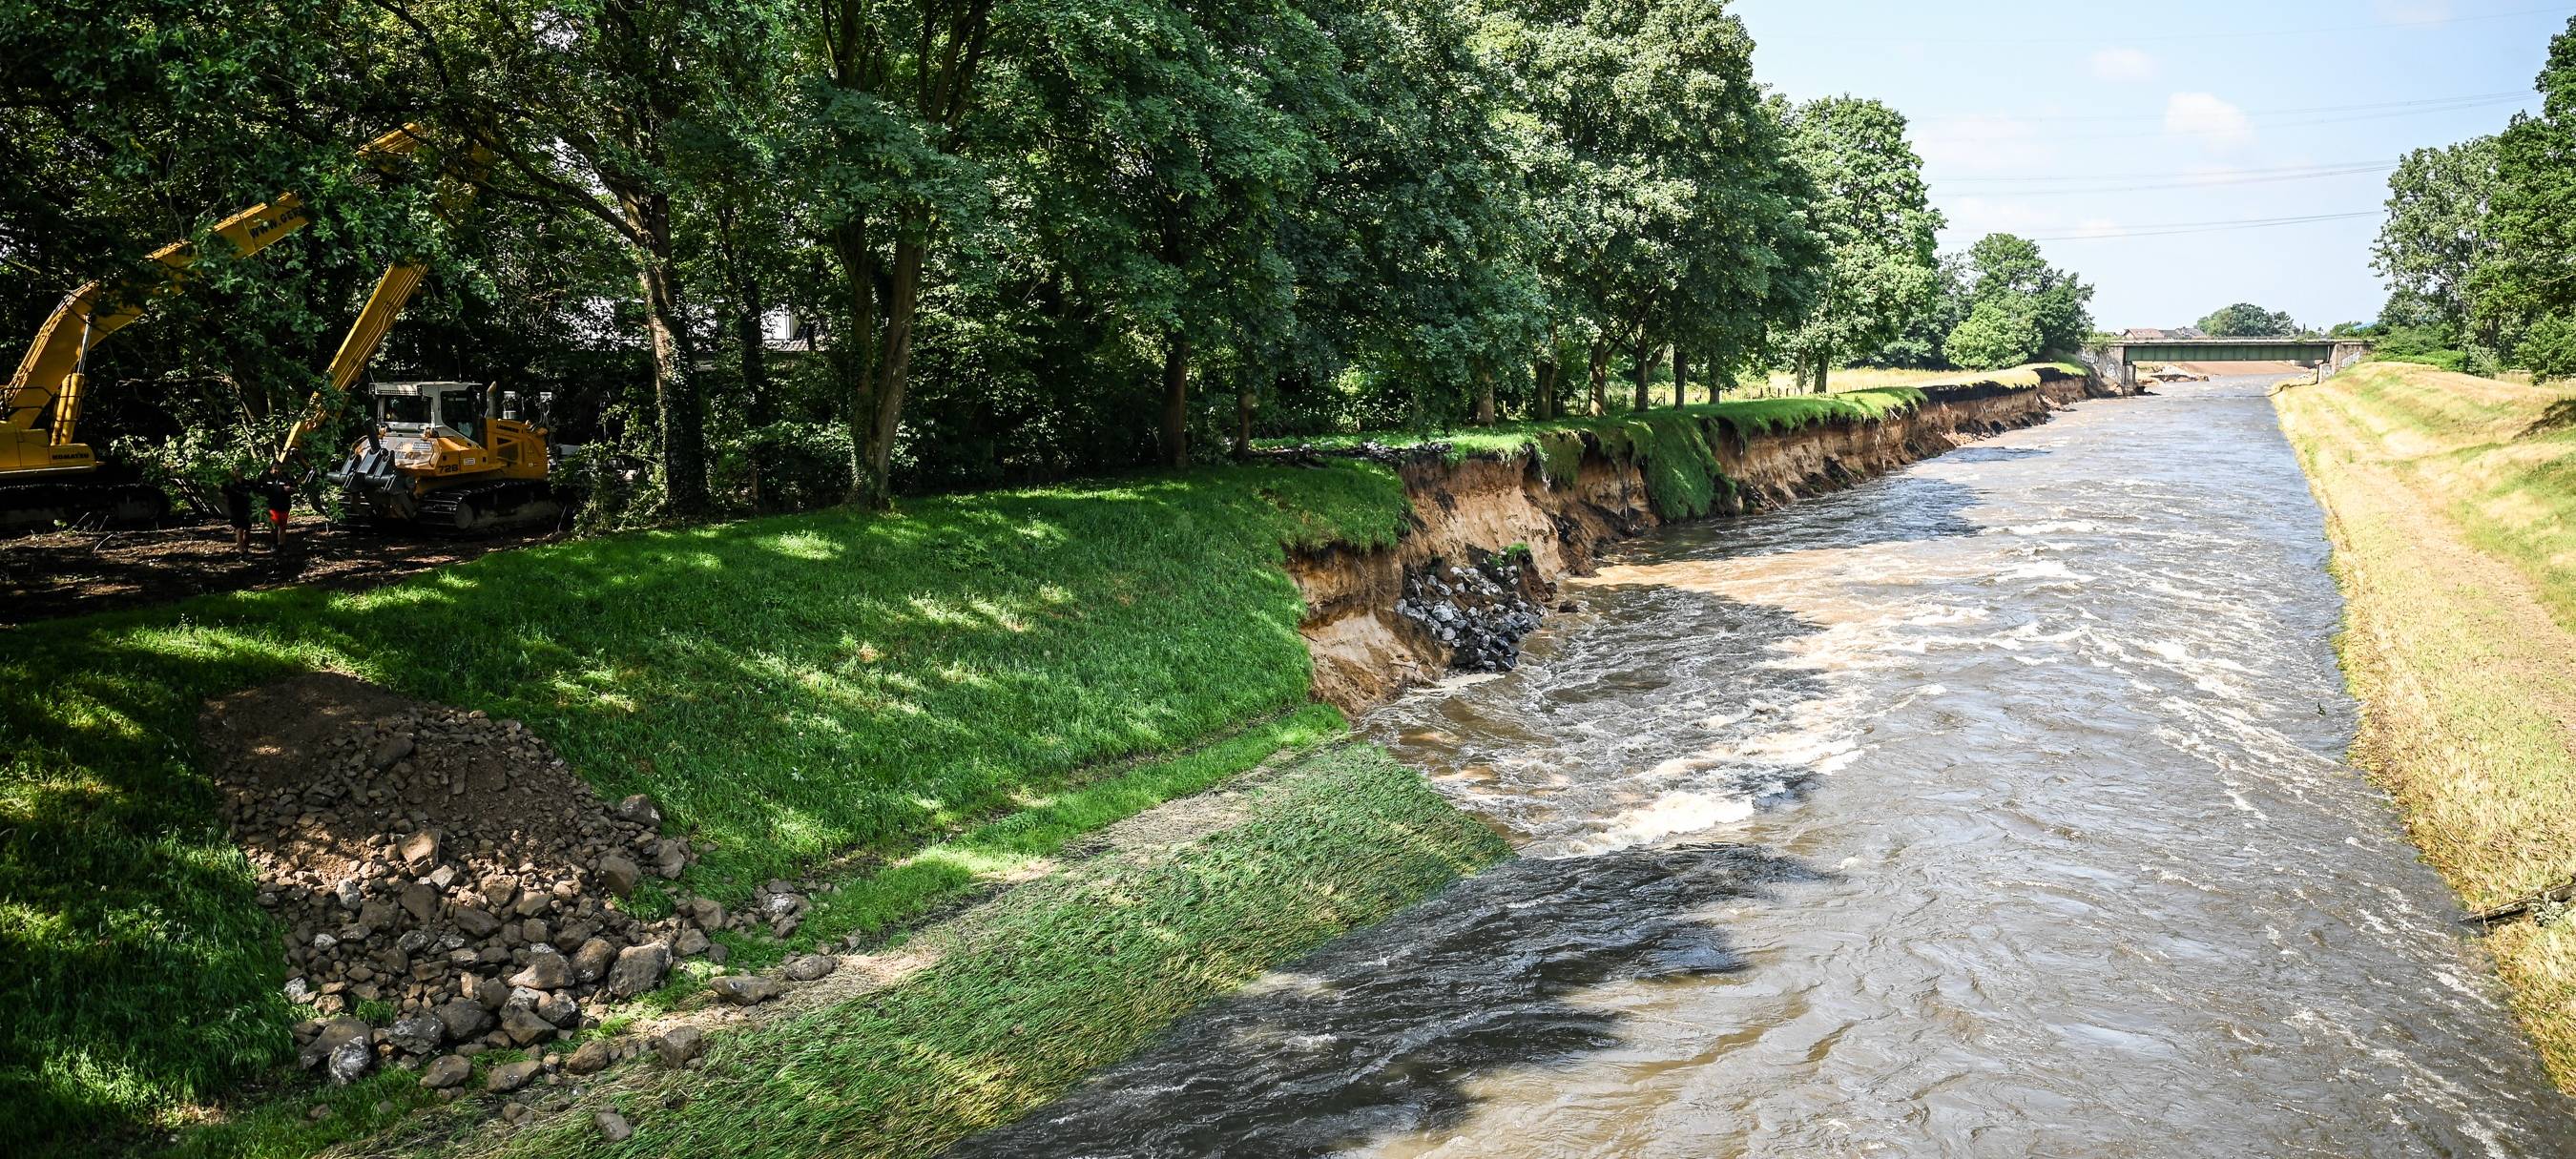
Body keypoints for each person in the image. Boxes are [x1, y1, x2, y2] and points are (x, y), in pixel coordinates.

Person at [257, 466, 295, 549]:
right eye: (275, 469)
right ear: (271, 470)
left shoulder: (286, 476)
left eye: (279, 469)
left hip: (285, 506)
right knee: (274, 526)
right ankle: (274, 543)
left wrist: (290, 489)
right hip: (272, 506)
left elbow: (294, 488)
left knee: (283, 527)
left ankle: (281, 546)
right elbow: (257, 487)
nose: (277, 471)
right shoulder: (265, 476)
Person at [219, 466, 255, 550]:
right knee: (239, 529)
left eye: (242, 470)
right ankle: (241, 551)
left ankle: (246, 549)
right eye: (238, 470)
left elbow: (255, 492)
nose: (240, 472)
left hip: (247, 508)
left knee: (247, 530)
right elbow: (221, 494)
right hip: (235, 509)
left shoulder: (247, 483)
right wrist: (228, 501)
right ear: (233, 472)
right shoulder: (229, 483)